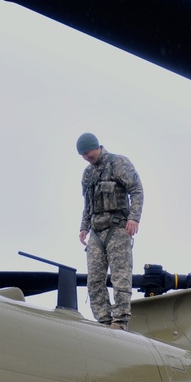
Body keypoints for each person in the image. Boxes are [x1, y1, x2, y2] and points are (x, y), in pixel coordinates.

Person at [76, 132, 144, 330]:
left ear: (97, 147)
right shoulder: (87, 174)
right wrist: (83, 227)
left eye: (88, 153)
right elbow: (87, 203)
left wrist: (133, 218)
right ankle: (104, 321)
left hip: (117, 228)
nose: (86, 158)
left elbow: (136, 189)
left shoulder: (118, 163)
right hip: (96, 231)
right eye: (83, 156)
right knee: (94, 279)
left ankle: (120, 321)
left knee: (120, 276)